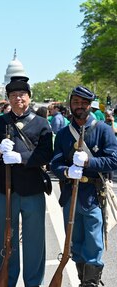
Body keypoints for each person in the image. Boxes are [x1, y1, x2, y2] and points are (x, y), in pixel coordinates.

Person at [0, 76, 53, 287]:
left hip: (32, 189)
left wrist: (21, 158)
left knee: (34, 240)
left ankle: (33, 282)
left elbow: (46, 153)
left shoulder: (41, 123)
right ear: (8, 99)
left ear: (29, 97)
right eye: (13, 95)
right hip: (5, 189)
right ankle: (7, 280)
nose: (17, 98)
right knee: (6, 238)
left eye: (22, 94)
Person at [50, 86, 117, 286]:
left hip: (94, 195)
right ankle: (82, 279)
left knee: (94, 242)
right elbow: (55, 162)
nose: (79, 106)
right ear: (70, 104)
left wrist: (89, 162)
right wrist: (66, 171)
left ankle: (91, 283)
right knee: (75, 242)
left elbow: (114, 160)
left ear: (90, 105)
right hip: (71, 193)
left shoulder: (103, 129)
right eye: (76, 102)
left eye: (83, 103)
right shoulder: (63, 134)